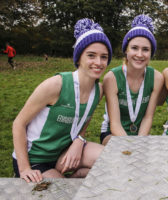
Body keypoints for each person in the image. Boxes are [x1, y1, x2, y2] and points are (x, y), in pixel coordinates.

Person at [12, 18, 112, 183]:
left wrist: (79, 141)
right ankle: (67, 179)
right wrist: (24, 168)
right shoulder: (56, 85)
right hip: (36, 159)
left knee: (111, 160)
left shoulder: (99, 90)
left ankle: (77, 175)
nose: (98, 62)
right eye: (91, 55)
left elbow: (83, 119)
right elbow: (18, 123)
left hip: (63, 152)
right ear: (79, 58)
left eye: (104, 57)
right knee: (63, 192)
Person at [100, 15, 164, 145]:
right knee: (122, 154)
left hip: (141, 134)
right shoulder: (111, 78)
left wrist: (139, 142)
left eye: (145, 49)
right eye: (134, 48)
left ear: (151, 53)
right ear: (126, 51)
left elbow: (148, 117)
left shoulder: (157, 78)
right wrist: (132, 146)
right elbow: (115, 124)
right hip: (113, 134)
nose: (139, 54)